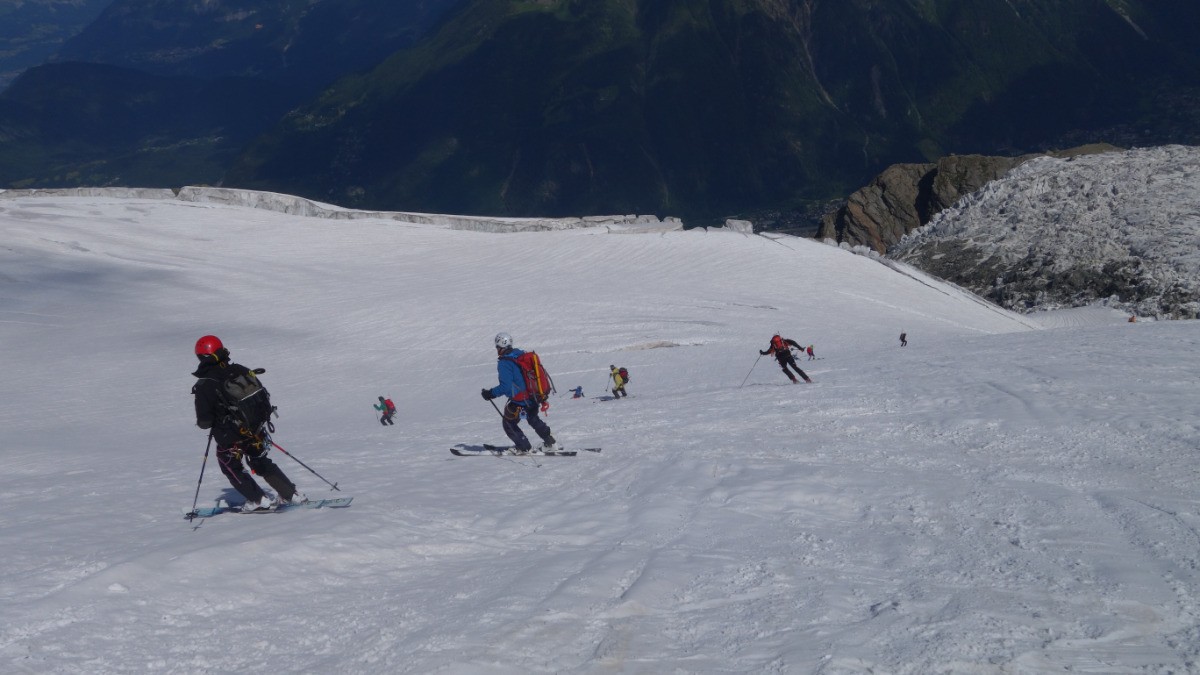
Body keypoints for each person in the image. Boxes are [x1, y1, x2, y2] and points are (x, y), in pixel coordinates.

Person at [192, 335, 305, 511]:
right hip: (256, 429)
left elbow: (204, 421)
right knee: (260, 461)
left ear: (202, 357)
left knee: (230, 465)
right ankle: (291, 494)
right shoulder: (240, 369)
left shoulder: (205, 383)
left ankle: (258, 500)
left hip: (230, 435)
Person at [481, 332, 557, 454]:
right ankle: (550, 442)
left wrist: (490, 393)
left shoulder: (505, 363)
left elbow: (505, 387)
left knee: (508, 423)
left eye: (497, 347)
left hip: (520, 400)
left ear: (500, 346)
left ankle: (523, 447)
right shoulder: (520, 354)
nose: (496, 349)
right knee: (533, 419)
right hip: (534, 396)